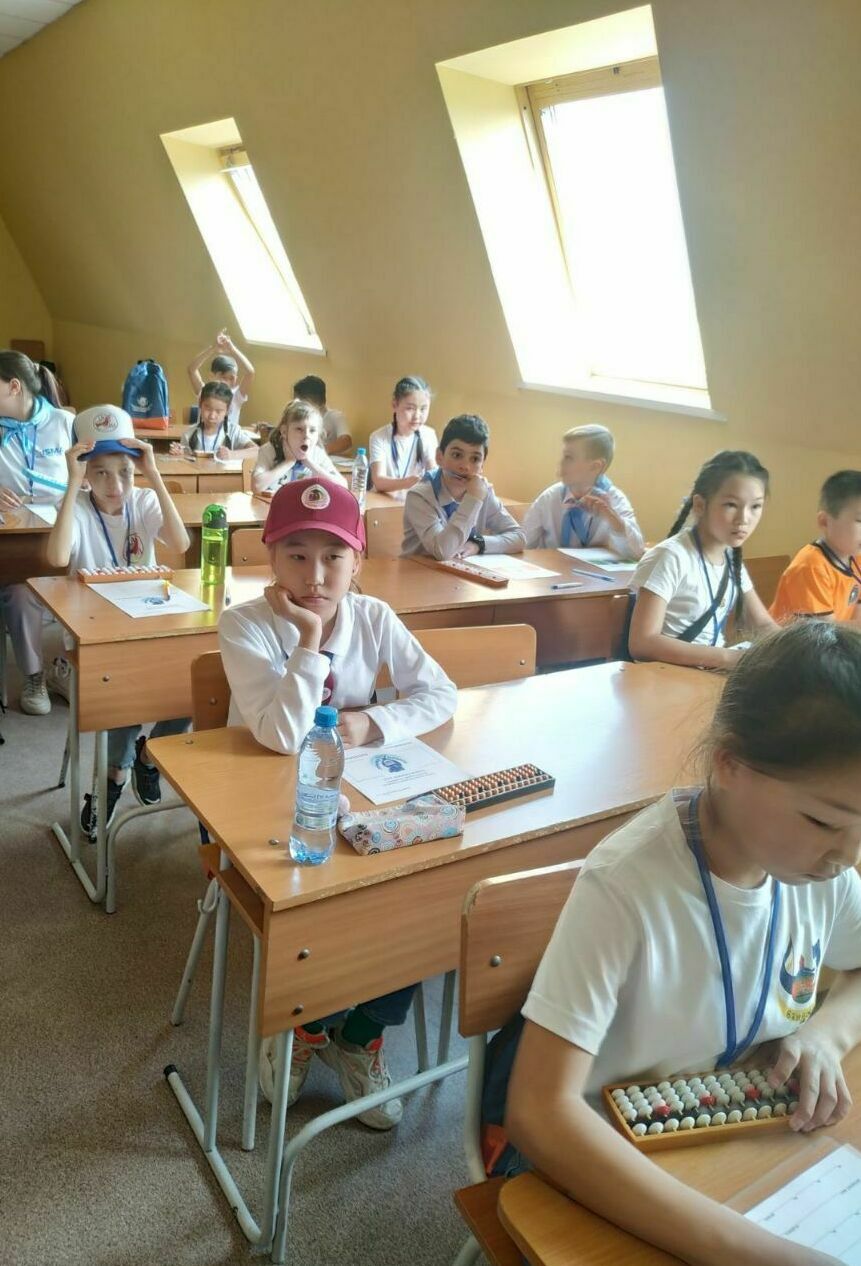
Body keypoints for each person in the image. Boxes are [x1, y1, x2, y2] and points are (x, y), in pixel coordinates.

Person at [507, 620, 861, 1266]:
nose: (847, 855)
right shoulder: (625, 886)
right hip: (612, 1159)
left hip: (734, 1137)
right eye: (822, 822)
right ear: (729, 764)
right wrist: (750, 1253)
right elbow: (537, 1110)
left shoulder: (821, 874)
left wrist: (825, 1034)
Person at [218, 476, 457, 1127]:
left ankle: (360, 1034)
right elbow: (279, 736)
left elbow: (440, 694)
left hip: (361, 790)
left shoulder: (374, 616)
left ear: (358, 562)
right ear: (270, 557)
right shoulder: (244, 624)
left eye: (333, 557)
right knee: (320, 896)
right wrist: (306, 640)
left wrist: (373, 723)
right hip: (264, 808)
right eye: (296, 555)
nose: (315, 575)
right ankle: (303, 1026)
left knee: (423, 885)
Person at [46, 405, 191, 837]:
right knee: (121, 682)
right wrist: (71, 484)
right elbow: (57, 556)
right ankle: (114, 775)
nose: (115, 485)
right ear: (85, 473)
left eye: (125, 472)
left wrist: (153, 474)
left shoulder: (142, 501)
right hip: (94, 634)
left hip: (148, 623)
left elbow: (181, 543)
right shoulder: (76, 506)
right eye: (101, 473)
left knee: (194, 675)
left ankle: (150, 755)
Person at [629, 450, 776, 670]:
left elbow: (762, 624)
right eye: (731, 505)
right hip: (666, 676)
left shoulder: (731, 557)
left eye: (755, 506)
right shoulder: (670, 556)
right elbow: (642, 643)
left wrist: (796, 651)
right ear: (700, 505)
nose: (744, 519)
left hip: (705, 673)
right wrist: (727, 658)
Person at [0, 349, 74, 715]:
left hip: (65, 534)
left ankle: (74, 666)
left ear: (14, 387)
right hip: (16, 540)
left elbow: (93, 473)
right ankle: (34, 675)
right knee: (17, 592)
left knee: (91, 580)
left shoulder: (64, 423)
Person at [401, 413, 525, 559]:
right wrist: (472, 500)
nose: (465, 466)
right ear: (440, 457)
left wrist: (478, 544)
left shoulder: (483, 491)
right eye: (457, 455)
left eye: (475, 459)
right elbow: (442, 551)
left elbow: (519, 537)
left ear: (482, 466)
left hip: (459, 571)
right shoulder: (420, 496)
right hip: (418, 570)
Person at [523, 424, 644, 559]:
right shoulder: (550, 497)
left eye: (569, 458)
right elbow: (524, 542)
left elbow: (636, 553)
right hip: (552, 568)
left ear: (595, 466)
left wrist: (612, 518)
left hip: (593, 572)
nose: (561, 463)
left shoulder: (615, 501)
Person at [771, 470, 861, 624]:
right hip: (800, 639)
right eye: (860, 520)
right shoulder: (810, 566)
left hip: (837, 636)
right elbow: (825, 632)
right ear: (824, 522)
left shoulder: (856, 556)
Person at [251, 399, 346, 493]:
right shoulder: (269, 450)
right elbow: (256, 486)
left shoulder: (317, 454)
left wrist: (310, 463)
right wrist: (288, 462)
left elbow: (343, 487)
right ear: (284, 432)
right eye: (299, 429)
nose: (307, 435)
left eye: (312, 430)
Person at [368, 375, 437, 501]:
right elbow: (379, 481)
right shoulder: (379, 437)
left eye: (423, 409)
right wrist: (409, 482)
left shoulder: (428, 435)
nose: (417, 416)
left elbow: (434, 473)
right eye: (410, 408)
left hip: (414, 503)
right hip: (384, 502)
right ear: (395, 405)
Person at [169, 382, 258, 460]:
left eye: (218, 411)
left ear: (228, 410)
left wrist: (232, 454)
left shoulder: (233, 431)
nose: (212, 416)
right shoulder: (189, 434)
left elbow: (257, 451)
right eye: (208, 409)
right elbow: (184, 459)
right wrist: (179, 453)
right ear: (200, 404)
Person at [186, 329, 254, 427]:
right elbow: (191, 370)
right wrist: (213, 348)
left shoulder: (236, 396)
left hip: (228, 437)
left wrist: (232, 349)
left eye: (232, 378)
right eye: (224, 378)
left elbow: (250, 372)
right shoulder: (204, 391)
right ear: (212, 376)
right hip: (203, 436)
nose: (228, 382)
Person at [293, 374, 352, 457]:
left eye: (303, 403)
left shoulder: (335, 417)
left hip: (331, 461)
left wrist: (321, 451)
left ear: (319, 402)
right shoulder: (300, 419)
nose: (299, 407)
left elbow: (346, 441)